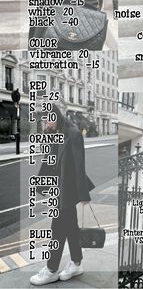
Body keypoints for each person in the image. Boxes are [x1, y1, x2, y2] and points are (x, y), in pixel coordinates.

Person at [30, 105, 95, 286]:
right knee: (71, 227)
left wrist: (83, 194)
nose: (46, 122)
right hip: (57, 189)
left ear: (57, 116)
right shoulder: (55, 132)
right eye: (44, 119)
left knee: (57, 229)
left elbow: (79, 165)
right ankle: (76, 263)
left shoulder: (73, 134)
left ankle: (51, 270)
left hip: (67, 191)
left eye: (49, 118)